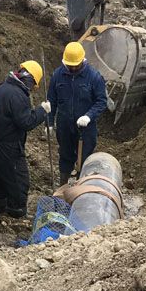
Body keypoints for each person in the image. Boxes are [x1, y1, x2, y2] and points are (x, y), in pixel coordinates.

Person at [0, 60, 51, 218]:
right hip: (8, 147)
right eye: (33, 86)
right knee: (19, 181)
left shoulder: (2, 87)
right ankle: (16, 214)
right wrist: (42, 111)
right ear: (31, 81)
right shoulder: (18, 95)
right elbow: (26, 122)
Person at [46, 42, 107, 185]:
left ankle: (81, 188)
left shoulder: (94, 77)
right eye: (70, 65)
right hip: (64, 125)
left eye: (76, 65)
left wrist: (89, 116)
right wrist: (49, 122)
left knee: (84, 159)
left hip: (86, 128)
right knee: (65, 156)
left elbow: (101, 101)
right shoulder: (58, 75)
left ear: (82, 60)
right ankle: (63, 187)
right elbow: (51, 101)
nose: (73, 68)